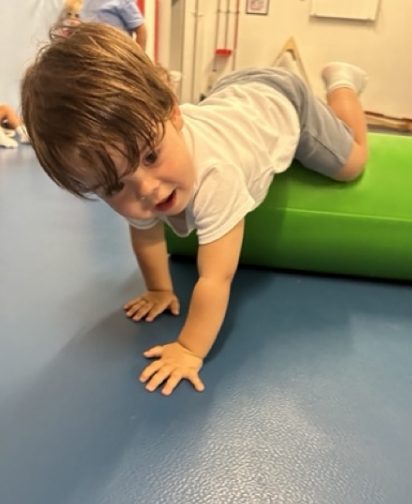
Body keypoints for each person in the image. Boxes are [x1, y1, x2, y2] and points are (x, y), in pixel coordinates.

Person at [21, 23, 368, 395]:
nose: (148, 189)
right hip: (232, 93)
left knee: (353, 163)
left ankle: (342, 84)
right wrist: (159, 289)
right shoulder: (132, 171)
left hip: (281, 100)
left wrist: (189, 349)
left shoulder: (215, 175)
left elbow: (216, 278)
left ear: (173, 113)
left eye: (151, 156)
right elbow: (146, 234)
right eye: (116, 186)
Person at [81, 0, 147, 49]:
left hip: (115, 56)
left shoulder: (122, 1)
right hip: (88, 53)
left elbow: (141, 30)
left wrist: (137, 60)